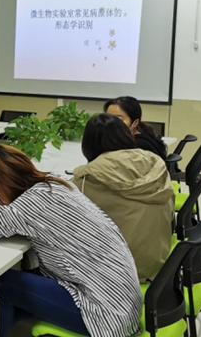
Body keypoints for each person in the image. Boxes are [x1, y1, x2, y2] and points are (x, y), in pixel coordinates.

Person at [0, 144, 141, 337]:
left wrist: (3, 213)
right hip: (124, 301)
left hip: (105, 315)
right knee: (15, 291)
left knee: (1, 285)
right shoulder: (57, 182)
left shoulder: (28, 205)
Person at [73, 113, 174, 283]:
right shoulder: (155, 164)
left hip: (116, 274)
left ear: (88, 143)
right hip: (158, 264)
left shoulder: (86, 179)